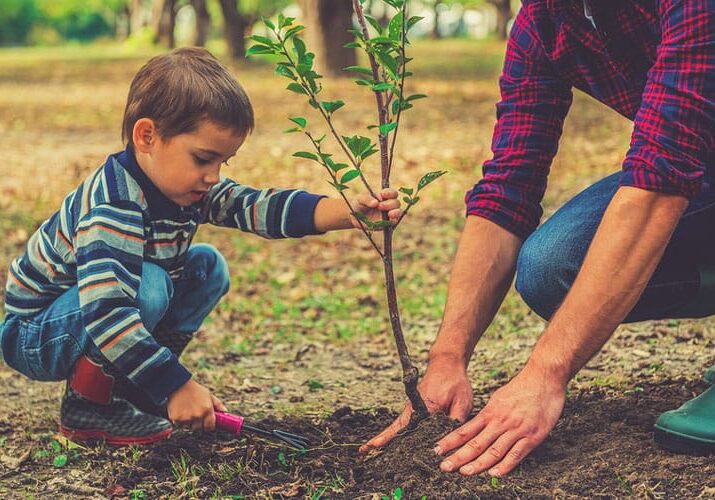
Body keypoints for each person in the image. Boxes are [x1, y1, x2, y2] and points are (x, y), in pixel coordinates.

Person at [363, 0, 715, 477]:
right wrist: (447, 359)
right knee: (555, 265)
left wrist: (545, 375)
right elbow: (509, 185)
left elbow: (659, 182)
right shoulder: (547, 19)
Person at [0, 47, 401, 445]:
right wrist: (176, 386)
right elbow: (106, 313)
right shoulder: (114, 206)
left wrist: (345, 212)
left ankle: (135, 384)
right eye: (203, 159)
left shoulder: (184, 187)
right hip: (35, 332)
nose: (213, 176)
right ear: (147, 136)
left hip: (88, 317)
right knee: (150, 284)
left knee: (207, 266)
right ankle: (89, 406)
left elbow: (255, 205)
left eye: (223, 163)